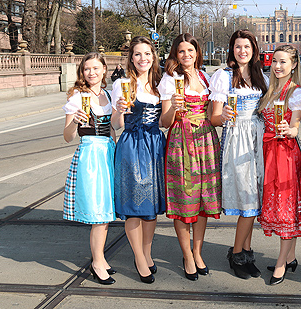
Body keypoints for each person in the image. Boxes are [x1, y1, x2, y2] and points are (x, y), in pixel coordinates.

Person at [159, 33, 221, 281]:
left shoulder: (206, 77)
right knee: (185, 200)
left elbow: (211, 115)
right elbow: (164, 122)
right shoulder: (170, 80)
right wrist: (174, 106)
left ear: (197, 52)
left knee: (203, 200)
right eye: (181, 51)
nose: (186, 55)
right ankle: (186, 256)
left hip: (206, 141)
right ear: (176, 53)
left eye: (190, 51)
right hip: (181, 141)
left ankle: (197, 252)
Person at [209, 29, 269, 280]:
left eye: (247, 47)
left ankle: (246, 251)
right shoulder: (223, 77)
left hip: (258, 137)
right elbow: (213, 117)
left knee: (254, 196)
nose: (242, 51)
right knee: (248, 199)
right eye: (238, 47)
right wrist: (221, 116)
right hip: (237, 139)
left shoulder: (261, 77)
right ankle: (236, 253)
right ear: (231, 50)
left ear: (254, 50)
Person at [111, 36, 164, 284]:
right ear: (131, 58)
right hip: (132, 144)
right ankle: (139, 259)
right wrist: (119, 110)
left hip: (155, 145)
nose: (143, 58)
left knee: (151, 207)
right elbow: (115, 125)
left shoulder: (161, 83)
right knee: (134, 205)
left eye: (147, 54)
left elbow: (164, 121)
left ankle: (148, 253)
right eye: (137, 54)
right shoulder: (122, 84)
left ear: (153, 56)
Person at [62, 52, 116, 285]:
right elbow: (66, 137)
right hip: (91, 155)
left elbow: (113, 128)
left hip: (108, 152)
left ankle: (101, 259)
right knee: (98, 214)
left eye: (95, 68)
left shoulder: (109, 94)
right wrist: (74, 121)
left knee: (106, 211)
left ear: (104, 69)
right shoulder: (77, 97)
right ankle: (96, 262)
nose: (91, 73)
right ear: (82, 72)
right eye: (87, 69)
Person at [257, 45, 301, 285]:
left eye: (283, 62)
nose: (277, 66)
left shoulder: (295, 92)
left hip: (285, 154)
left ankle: (281, 263)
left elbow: (296, 127)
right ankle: (291, 256)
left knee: (286, 210)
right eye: (274, 61)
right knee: (278, 207)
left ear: (293, 65)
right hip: (269, 152)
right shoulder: (270, 89)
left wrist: (290, 129)